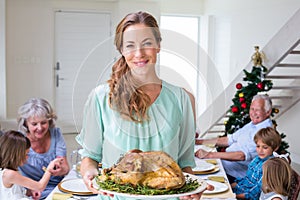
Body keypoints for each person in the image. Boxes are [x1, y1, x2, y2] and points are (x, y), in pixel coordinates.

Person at [76, 11, 210, 200]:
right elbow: (90, 157)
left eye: (147, 43)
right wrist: (89, 174)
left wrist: (192, 191)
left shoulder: (183, 99)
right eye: (130, 46)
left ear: (158, 46)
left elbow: (184, 164)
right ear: (121, 50)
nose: (139, 54)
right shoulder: (100, 97)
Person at [195, 94, 273, 182]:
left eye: (257, 110)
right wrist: (199, 142)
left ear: (268, 112)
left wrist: (209, 155)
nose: (253, 113)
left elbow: (241, 155)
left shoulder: (265, 131)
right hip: (225, 166)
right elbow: (229, 140)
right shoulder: (253, 124)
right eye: (252, 109)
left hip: (234, 176)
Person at [17, 98, 70, 199]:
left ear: (49, 121)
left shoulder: (56, 134)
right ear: (25, 124)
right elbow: (10, 172)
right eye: (34, 124)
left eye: (43, 122)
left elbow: (66, 168)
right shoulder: (19, 140)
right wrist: (28, 190)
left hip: (55, 189)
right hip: (31, 191)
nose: (40, 128)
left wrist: (59, 169)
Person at [0, 130, 62, 200]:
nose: (27, 157)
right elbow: (40, 186)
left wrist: (29, 192)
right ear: (16, 155)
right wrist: (49, 169)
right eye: (26, 154)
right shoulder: (10, 174)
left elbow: (15, 191)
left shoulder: (10, 171)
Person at [231, 127, 282, 199]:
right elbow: (247, 179)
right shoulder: (256, 160)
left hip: (247, 197)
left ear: (275, 148)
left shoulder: (270, 166)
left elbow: (256, 191)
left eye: (265, 147)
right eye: (258, 146)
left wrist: (234, 196)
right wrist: (231, 186)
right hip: (239, 190)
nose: (260, 150)